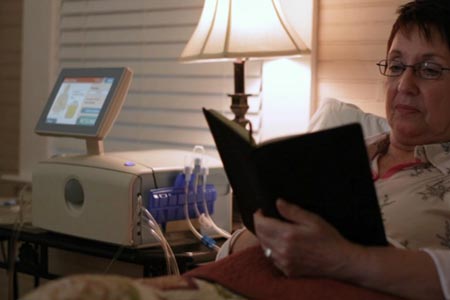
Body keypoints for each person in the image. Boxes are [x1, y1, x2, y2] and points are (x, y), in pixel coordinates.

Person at [217, 1, 450, 299]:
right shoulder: (329, 156)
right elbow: (227, 255)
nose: (404, 84)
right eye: (395, 65)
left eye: (429, 70)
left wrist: (345, 259)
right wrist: (258, 234)